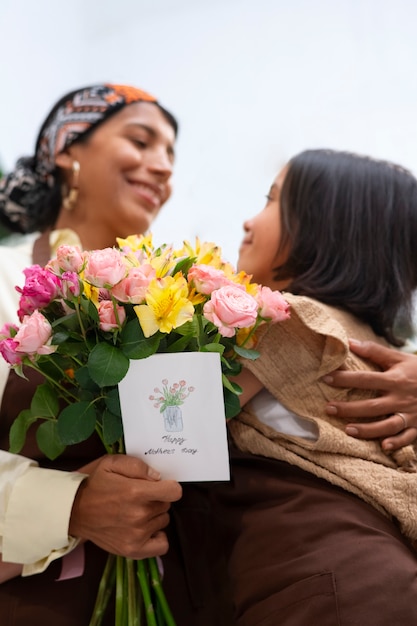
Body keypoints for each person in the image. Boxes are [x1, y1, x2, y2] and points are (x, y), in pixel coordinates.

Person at [0, 83, 230, 626]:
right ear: (67, 151)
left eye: (171, 154)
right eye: (142, 140)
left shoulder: (181, 302)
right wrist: (73, 507)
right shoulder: (4, 279)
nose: (163, 167)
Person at [213, 149, 417, 625]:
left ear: (326, 229)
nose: (248, 221)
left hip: (332, 589)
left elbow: (169, 436)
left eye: (271, 200)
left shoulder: (289, 322)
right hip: (378, 581)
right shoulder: (376, 344)